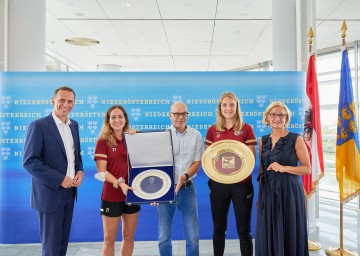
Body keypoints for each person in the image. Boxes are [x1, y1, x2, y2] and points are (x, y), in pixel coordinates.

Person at [23, 86, 84, 256]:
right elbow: (29, 162)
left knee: (62, 244)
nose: (66, 104)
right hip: (49, 195)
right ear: (53, 101)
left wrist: (80, 171)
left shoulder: (74, 125)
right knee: (51, 248)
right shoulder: (39, 126)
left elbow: (75, 155)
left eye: (70, 101)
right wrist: (59, 179)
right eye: (62, 100)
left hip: (70, 193)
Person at [255, 101, 310, 256]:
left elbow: (307, 168)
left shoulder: (296, 139)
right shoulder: (263, 140)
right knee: (268, 230)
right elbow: (261, 169)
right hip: (268, 192)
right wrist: (261, 196)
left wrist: (284, 168)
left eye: (281, 115)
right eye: (273, 114)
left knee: (288, 229)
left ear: (287, 118)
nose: (277, 118)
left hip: (289, 192)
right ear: (267, 117)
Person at [205, 91, 256, 256]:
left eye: (231, 104)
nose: (228, 108)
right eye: (224, 105)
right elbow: (209, 160)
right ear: (220, 108)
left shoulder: (247, 129)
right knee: (219, 229)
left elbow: (251, 159)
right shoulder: (212, 130)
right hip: (219, 185)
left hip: (242, 185)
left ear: (237, 107)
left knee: (244, 230)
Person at [155, 101, 204, 256]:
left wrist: (185, 176)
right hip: (166, 190)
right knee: (163, 237)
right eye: (176, 114)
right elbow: (156, 164)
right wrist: (155, 191)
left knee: (193, 237)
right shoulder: (162, 136)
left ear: (187, 115)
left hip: (188, 189)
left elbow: (197, 162)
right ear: (170, 116)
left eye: (184, 114)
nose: (180, 117)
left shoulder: (196, 135)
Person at [94, 105, 140, 256]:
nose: (117, 120)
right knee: (109, 239)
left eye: (120, 116)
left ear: (125, 119)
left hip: (132, 194)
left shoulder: (133, 138)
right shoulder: (103, 141)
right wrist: (120, 184)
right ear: (108, 120)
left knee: (128, 236)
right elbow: (102, 170)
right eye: (113, 117)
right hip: (111, 195)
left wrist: (140, 139)